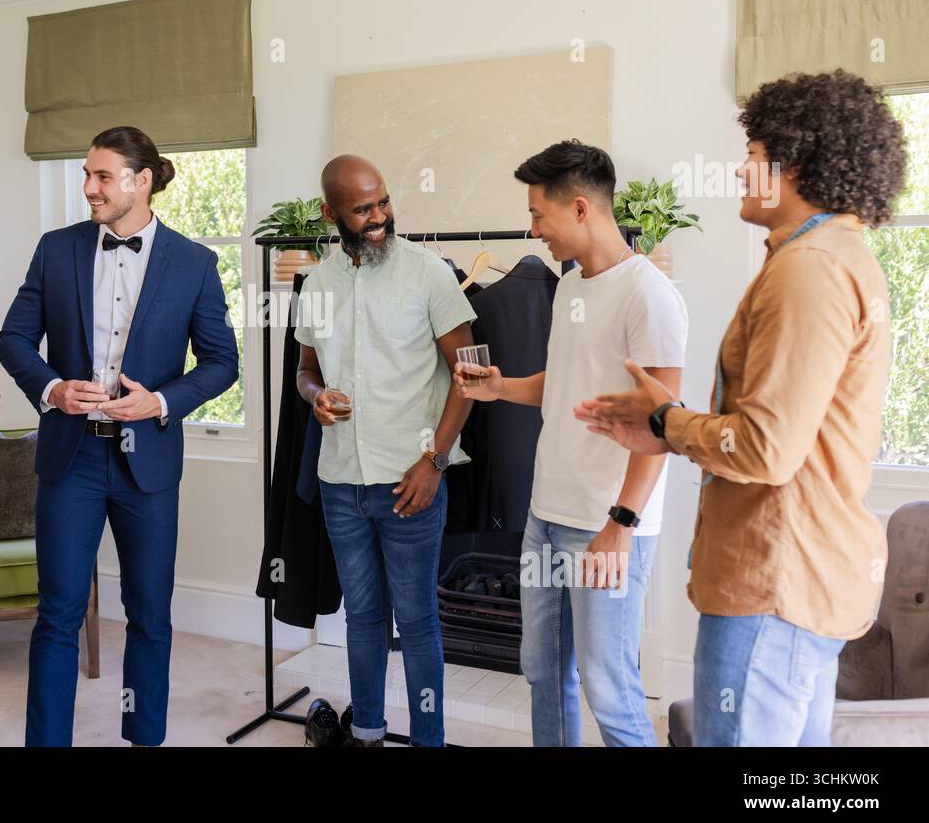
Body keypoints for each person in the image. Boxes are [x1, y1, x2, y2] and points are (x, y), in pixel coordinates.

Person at [575, 70, 903, 746]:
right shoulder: (835, 257)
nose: (737, 172)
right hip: (800, 580)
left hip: (774, 584)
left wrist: (666, 421)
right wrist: (674, 422)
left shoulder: (810, 268)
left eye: (752, 156)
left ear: (796, 161)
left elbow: (765, 448)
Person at [0, 126, 238, 747]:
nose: (88, 188)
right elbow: (13, 339)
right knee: (57, 614)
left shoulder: (195, 263)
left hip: (149, 464)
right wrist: (52, 389)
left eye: (102, 176)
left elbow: (221, 362)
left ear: (141, 181)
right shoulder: (56, 250)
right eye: (86, 174)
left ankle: (144, 738)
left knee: (150, 616)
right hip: (70, 458)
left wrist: (159, 401)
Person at [456, 140, 687, 746]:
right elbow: (561, 386)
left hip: (604, 524)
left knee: (609, 687)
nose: (533, 230)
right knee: (542, 672)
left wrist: (622, 523)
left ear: (580, 209)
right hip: (546, 515)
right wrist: (500, 386)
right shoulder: (570, 287)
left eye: (538, 214)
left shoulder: (649, 294)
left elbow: (661, 425)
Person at [294, 154, 476, 747]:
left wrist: (436, 461)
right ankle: (366, 732)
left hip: (411, 480)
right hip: (341, 481)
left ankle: (429, 740)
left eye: (383, 202)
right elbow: (305, 371)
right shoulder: (316, 283)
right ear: (331, 214)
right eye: (362, 208)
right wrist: (316, 396)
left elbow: (468, 374)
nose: (379, 217)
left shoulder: (429, 273)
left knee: (418, 621)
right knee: (363, 617)